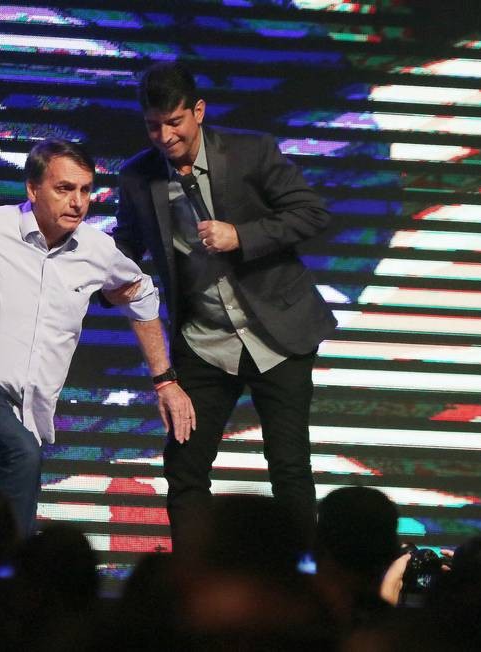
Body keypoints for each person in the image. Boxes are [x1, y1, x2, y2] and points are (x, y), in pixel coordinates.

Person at [0, 138, 194, 535]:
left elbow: (141, 293)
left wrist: (164, 379)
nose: (78, 202)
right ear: (33, 189)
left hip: (23, 411)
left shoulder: (97, 251)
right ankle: (12, 575)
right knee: (19, 453)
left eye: (84, 190)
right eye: (64, 189)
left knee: (2, 495)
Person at [113, 61, 336, 545]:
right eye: (154, 125)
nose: (165, 136)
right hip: (204, 340)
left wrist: (243, 235)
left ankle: (302, 577)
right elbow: (124, 251)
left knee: (289, 465)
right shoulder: (137, 177)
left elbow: (311, 213)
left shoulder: (250, 152)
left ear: (198, 111)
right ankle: (195, 580)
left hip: (279, 333)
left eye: (174, 122)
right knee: (185, 466)